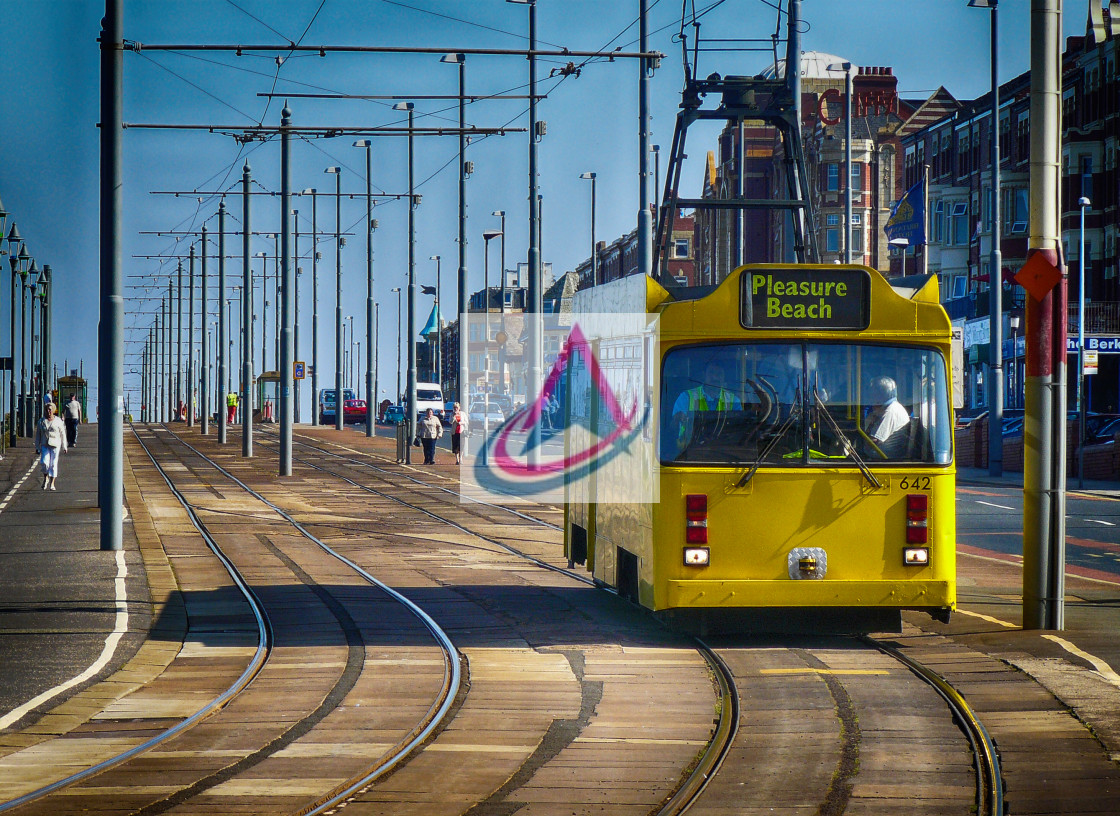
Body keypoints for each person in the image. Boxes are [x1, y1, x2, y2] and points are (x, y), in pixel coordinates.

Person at [864, 376, 910, 458]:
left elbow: (874, 440)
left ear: (882, 394)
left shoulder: (891, 411)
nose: (870, 397)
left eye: (872, 393)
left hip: (885, 458)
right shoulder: (884, 408)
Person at [34, 402, 68, 491]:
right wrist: (37, 447)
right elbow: (38, 435)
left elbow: (63, 434)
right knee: (44, 462)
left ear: (53, 410)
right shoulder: (41, 421)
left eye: (50, 409)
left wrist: (65, 446)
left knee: (53, 464)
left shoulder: (58, 421)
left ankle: (52, 483)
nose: (49, 411)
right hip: (45, 444)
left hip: (55, 444)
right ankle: (46, 477)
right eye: (47, 409)